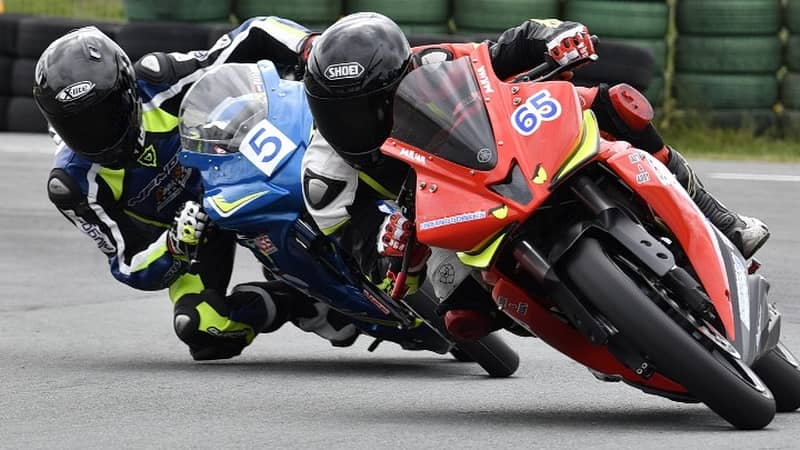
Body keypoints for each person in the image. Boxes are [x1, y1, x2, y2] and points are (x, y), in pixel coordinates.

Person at [299, 12, 770, 343]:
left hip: (502, 151)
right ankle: (582, 326)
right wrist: (394, 247)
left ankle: (721, 220)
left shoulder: (432, 64)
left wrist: (556, 36)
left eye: (376, 105)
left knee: (614, 104)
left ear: (401, 78)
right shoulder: (324, 180)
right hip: (439, 215)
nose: (363, 123)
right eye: (345, 114)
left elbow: (504, 49)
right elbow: (375, 271)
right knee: (463, 316)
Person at [33, 18, 357, 361]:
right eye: (79, 127)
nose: (97, 134)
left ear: (127, 91)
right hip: (194, 230)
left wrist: (309, 47)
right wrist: (174, 244)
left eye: (106, 114)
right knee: (200, 327)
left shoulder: (158, 80)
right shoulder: (73, 184)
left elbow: (253, 34)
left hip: (244, 173)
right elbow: (127, 263)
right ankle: (301, 303)